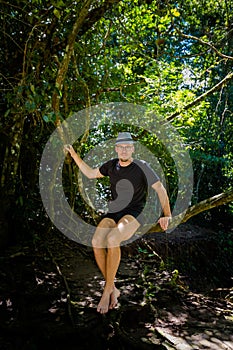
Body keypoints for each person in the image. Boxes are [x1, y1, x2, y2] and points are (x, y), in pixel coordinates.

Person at [64, 132, 172, 314]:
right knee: (97, 241)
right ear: (116, 148)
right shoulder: (111, 165)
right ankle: (113, 287)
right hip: (114, 211)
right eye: (120, 147)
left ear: (133, 149)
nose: (124, 150)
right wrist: (74, 155)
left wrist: (167, 214)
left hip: (134, 213)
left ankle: (107, 292)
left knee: (113, 239)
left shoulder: (142, 166)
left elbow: (160, 189)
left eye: (127, 147)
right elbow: (90, 174)